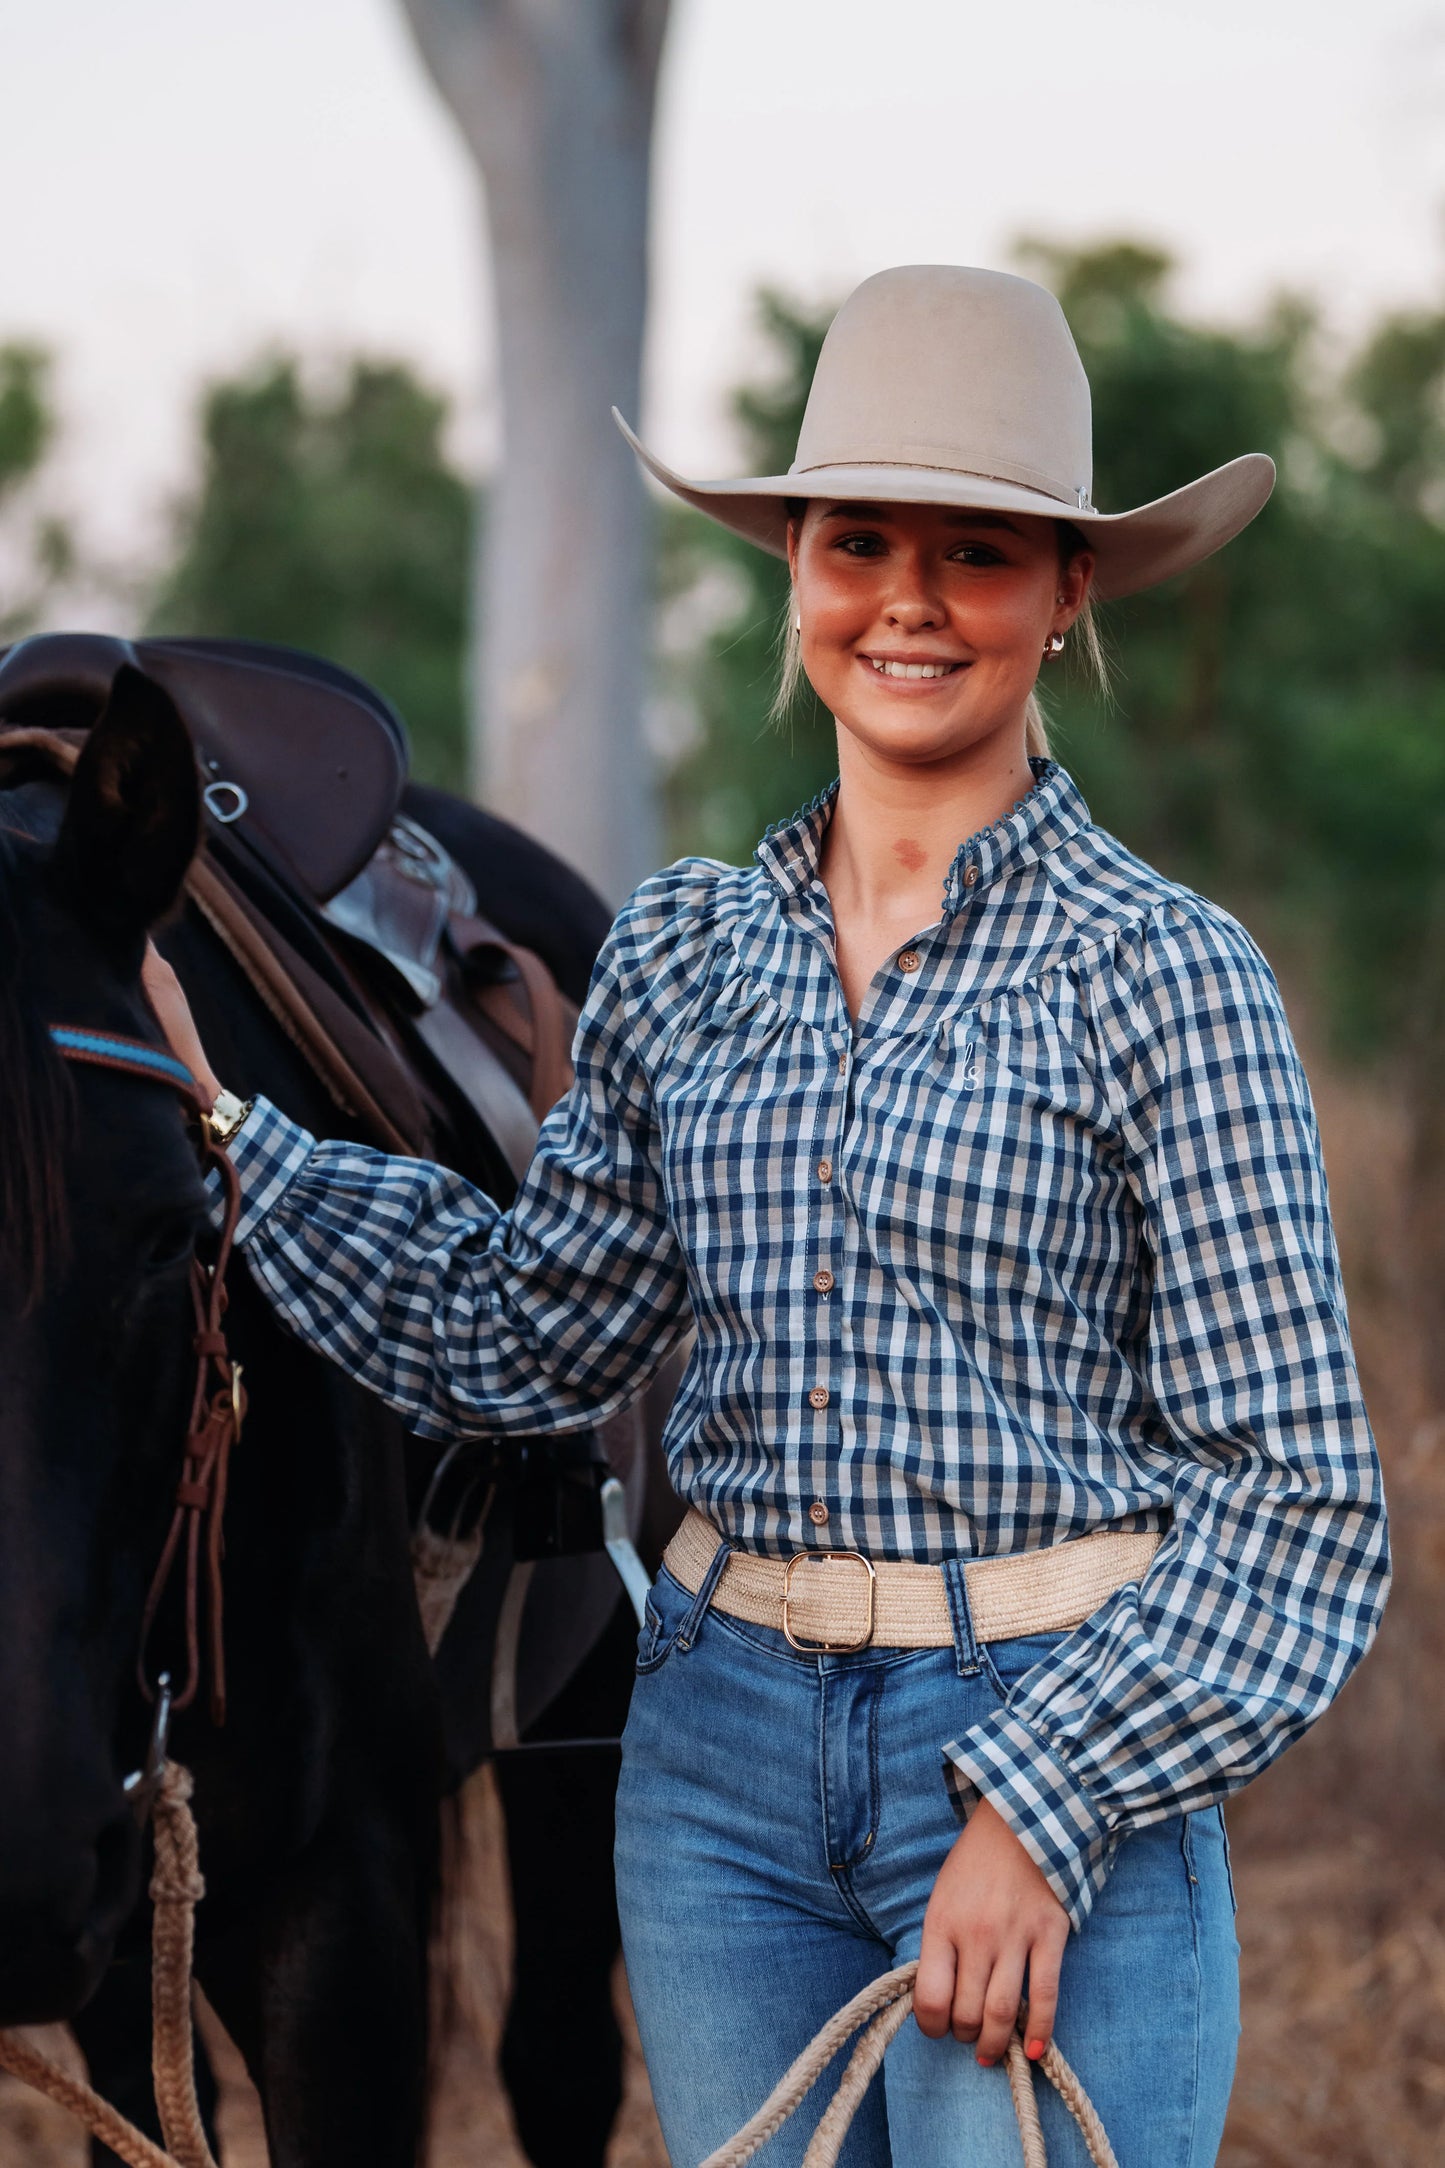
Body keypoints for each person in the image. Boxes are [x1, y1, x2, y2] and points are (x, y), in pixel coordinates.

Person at [145, 265, 1389, 2168]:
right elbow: (522, 1330)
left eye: (975, 552)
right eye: (858, 538)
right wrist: (226, 1127)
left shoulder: (1161, 974)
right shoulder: (684, 954)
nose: (906, 597)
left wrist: (1038, 1808)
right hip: (716, 1766)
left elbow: (1302, 1508)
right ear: (794, 571)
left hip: (1047, 1735)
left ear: (1067, 598)